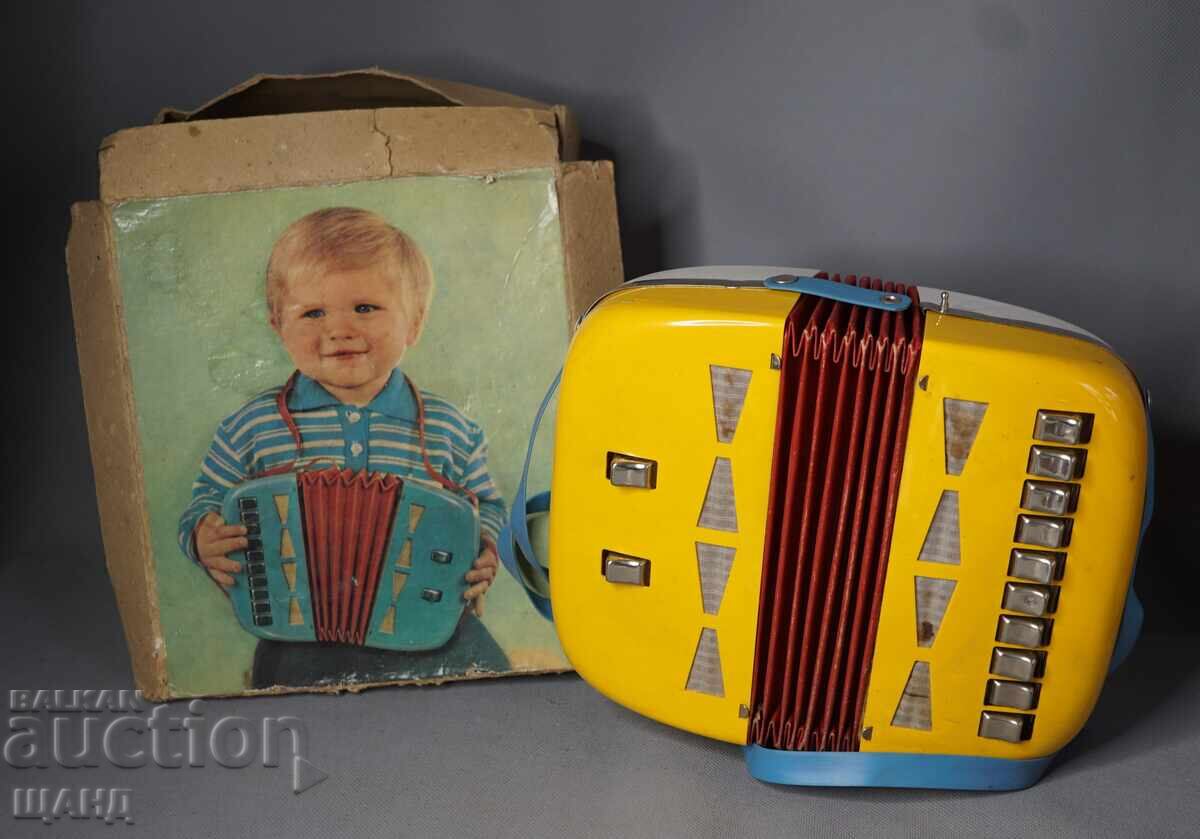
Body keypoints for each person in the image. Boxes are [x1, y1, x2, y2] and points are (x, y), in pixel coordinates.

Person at [177, 207, 510, 687]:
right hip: (297, 629)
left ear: (414, 323)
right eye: (312, 312)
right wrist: (203, 537)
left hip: (428, 621)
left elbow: (490, 507)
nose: (339, 329)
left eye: (365, 308)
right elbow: (205, 502)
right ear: (278, 326)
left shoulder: (449, 427)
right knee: (288, 687)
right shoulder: (250, 427)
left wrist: (485, 550)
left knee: (489, 681)